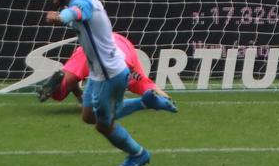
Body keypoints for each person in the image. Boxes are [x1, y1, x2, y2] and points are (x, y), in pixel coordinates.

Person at [28, 0, 152, 166]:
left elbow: (75, 13)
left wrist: (60, 17)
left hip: (110, 72)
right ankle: (145, 103)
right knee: (88, 116)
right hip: (97, 71)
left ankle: (138, 153)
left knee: (104, 124)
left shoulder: (83, 3)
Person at [37, 31, 178, 118]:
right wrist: (166, 97)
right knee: (133, 87)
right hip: (120, 53)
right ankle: (160, 99)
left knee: (61, 90)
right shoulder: (129, 58)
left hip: (90, 49)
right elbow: (143, 81)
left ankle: (60, 84)